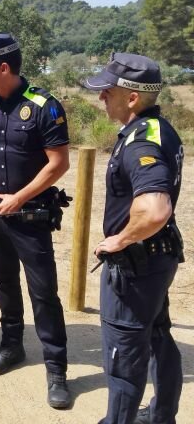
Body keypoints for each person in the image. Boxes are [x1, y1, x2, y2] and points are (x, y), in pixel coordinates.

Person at [0, 33, 71, 408]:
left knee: (43, 292)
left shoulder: (44, 106)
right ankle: (12, 346)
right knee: (4, 281)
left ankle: (56, 368)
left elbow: (59, 164)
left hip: (30, 215)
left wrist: (19, 198)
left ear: (4, 67)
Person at [82, 53, 184, 424]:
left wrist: (119, 240)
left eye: (107, 91)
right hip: (158, 259)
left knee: (122, 356)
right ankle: (161, 417)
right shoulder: (160, 129)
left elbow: (155, 209)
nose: (100, 98)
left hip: (137, 267)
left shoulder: (141, 141)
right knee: (158, 337)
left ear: (131, 98)